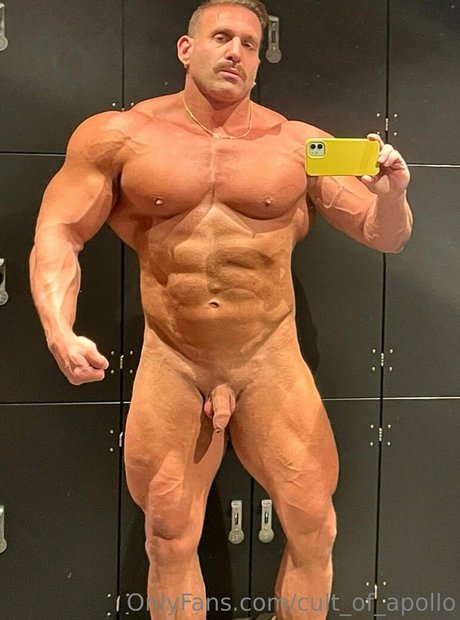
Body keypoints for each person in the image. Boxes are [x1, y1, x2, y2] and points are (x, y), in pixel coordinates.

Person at [29, 1, 413, 618]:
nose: (236, 52)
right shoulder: (119, 135)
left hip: (269, 360)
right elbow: (59, 232)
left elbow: (383, 234)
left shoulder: (302, 144)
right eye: (222, 37)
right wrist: (58, 329)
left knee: (315, 527)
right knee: (167, 537)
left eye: (250, 44)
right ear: (187, 49)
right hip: (174, 360)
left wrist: (392, 194)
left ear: (261, 60)